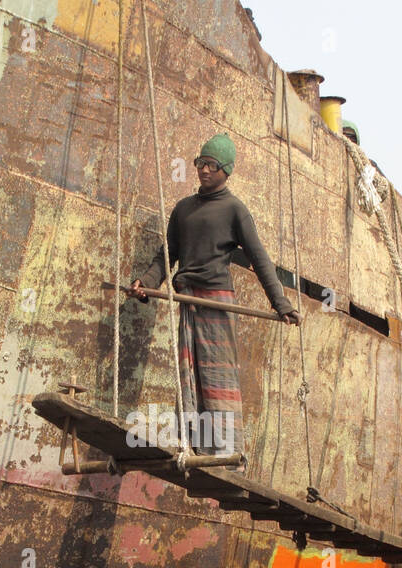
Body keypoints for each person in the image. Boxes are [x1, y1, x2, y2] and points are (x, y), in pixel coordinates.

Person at [128, 133, 301, 460]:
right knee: (190, 375)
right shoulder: (182, 210)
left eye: (212, 165)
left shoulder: (235, 210)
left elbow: (260, 259)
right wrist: (145, 283)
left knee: (217, 377)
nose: (204, 170)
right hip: (189, 301)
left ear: (226, 171)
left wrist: (282, 304)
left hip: (217, 301)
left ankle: (225, 454)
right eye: (200, 163)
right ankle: (195, 449)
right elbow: (167, 256)